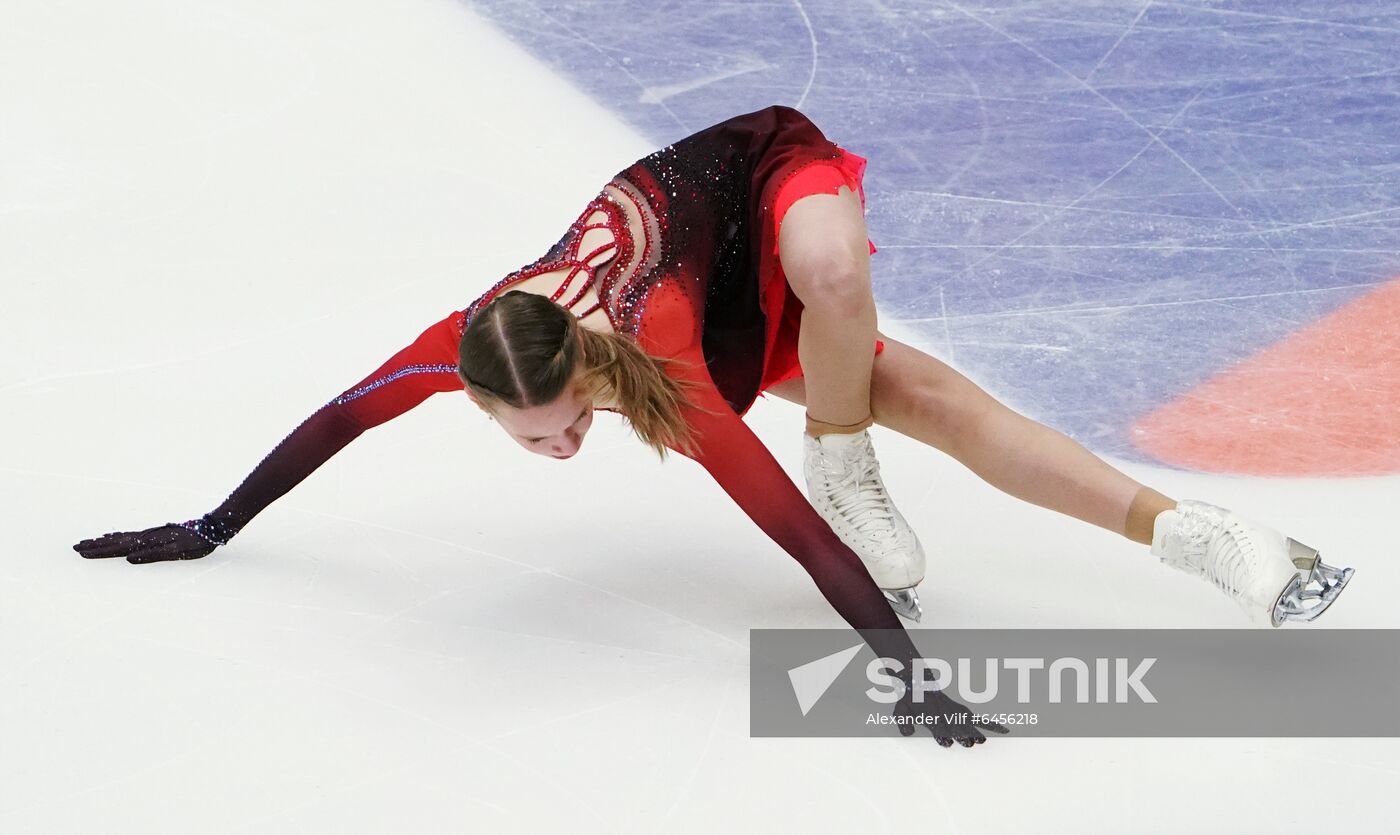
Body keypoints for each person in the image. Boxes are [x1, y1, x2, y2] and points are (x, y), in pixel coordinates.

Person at [73, 105, 1352, 746]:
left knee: (839, 276)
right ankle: (1200, 536)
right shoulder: (454, 352)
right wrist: (211, 522)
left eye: (560, 427)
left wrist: (906, 680)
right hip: (728, 303)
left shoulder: (654, 359)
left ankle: (850, 450)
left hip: (752, 177)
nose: (557, 449)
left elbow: (792, 535)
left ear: (586, 369)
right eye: (529, 440)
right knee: (945, 403)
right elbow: (329, 423)